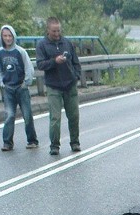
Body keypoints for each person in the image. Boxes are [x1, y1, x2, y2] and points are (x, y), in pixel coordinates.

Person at [36, 17, 82, 155]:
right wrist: (54, 61)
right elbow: (40, 64)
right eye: (54, 31)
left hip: (70, 84)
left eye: (58, 31)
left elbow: (75, 61)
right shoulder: (42, 45)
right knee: (55, 118)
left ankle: (75, 142)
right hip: (54, 86)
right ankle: (54, 145)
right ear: (48, 30)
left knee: (74, 116)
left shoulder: (67, 43)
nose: (57, 34)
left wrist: (77, 76)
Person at [0, 25, 38, 151]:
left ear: (13, 36)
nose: (8, 38)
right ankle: (7, 142)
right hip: (8, 88)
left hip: (21, 87)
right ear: (2, 37)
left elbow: (28, 68)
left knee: (27, 114)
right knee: (9, 115)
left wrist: (26, 83)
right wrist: (1, 82)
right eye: (5, 36)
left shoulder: (20, 52)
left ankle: (32, 140)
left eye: (9, 35)